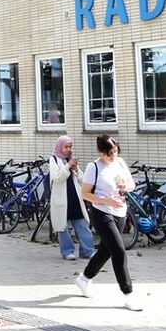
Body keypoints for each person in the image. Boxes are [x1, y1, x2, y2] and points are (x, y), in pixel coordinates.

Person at [73, 133, 141, 311]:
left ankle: (84, 278)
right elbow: (85, 193)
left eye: (115, 151)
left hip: (120, 211)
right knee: (118, 251)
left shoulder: (120, 162)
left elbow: (132, 184)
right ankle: (128, 294)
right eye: (109, 153)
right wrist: (106, 201)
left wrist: (126, 186)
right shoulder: (93, 167)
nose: (113, 156)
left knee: (105, 251)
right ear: (101, 151)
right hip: (101, 213)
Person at [49, 135, 95, 261]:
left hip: (74, 197)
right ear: (60, 147)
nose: (68, 149)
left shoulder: (71, 158)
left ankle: (87, 250)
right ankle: (67, 251)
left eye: (70, 147)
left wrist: (76, 169)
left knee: (82, 224)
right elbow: (57, 177)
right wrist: (67, 166)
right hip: (61, 198)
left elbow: (82, 178)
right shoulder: (54, 159)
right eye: (66, 147)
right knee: (62, 226)